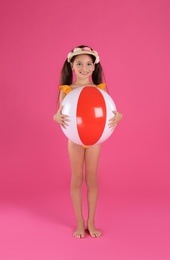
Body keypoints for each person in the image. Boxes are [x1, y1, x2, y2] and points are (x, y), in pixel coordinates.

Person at [53, 45, 122, 238]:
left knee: (92, 179)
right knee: (77, 179)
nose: (85, 67)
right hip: (74, 140)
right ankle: (79, 222)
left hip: (95, 140)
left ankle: (91, 222)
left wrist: (119, 117)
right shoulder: (67, 90)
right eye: (80, 63)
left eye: (89, 63)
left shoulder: (100, 90)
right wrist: (55, 118)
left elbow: (111, 112)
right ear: (72, 66)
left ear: (94, 67)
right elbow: (59, 114)